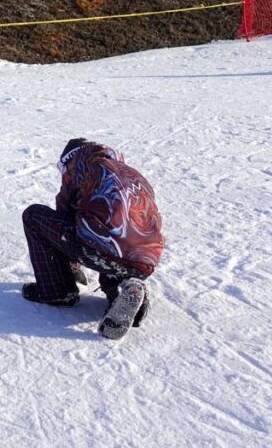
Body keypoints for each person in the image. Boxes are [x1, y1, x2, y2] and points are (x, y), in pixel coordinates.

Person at [20, 138, 164, 340]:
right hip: (144, 257)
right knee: (113, 254)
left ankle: (57, 291)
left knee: (34, 216)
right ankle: (126, 291)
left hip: (102, 245)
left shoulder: (80, 163)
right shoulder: (133, 174)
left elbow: (65, 216)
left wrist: (73, 268)